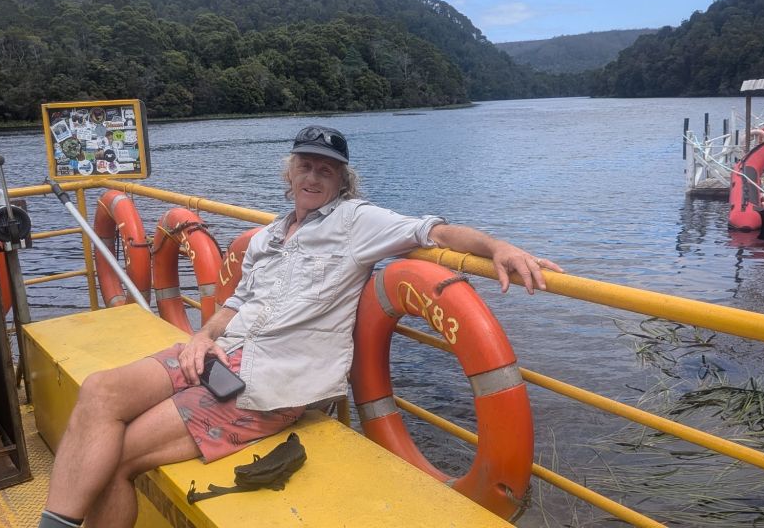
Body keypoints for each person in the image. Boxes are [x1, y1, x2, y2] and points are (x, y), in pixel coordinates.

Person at [38, 125, 564, 528]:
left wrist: (498, 246)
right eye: (306, 166)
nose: (313, 177)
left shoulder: (357, 222)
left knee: (119, 457)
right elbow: (237, 301)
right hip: (221, 353)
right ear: (289, 174)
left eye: (326, 171)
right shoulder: (268, 236)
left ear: (342, 182)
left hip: (270, 382)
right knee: (101, 390)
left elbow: (435, 231)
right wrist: (202, 337)